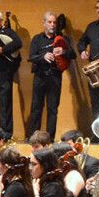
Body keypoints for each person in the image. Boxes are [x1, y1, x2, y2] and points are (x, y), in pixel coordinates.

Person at [26, 12, 75, 140]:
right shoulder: (37, 39)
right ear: (44, 23)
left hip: (55, 76)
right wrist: (43, 56)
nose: (52, 25)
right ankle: (33, 138)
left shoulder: (62, 38)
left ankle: (49, 138)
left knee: (52, 109)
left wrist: (63, 51)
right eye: (49, 22)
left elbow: (73, 54)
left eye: (54, 22)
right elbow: (31, 57)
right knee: (36, 108)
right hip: (40, 76)